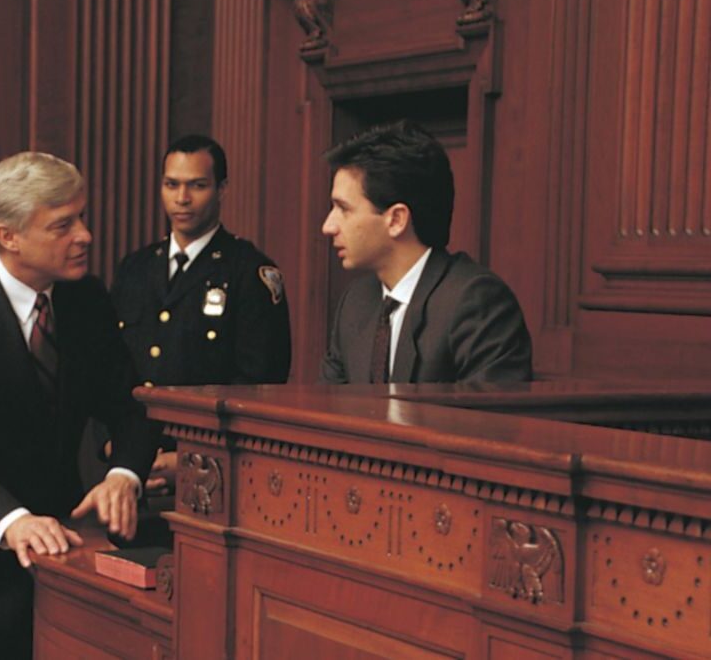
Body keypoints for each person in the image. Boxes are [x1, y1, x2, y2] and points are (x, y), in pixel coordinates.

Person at [0, 151, 158, 658]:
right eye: (63, 225)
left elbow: (132, 405)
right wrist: (10, 519)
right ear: (8, 236)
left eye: (82, 217)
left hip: (62, 565)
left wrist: (124, 475)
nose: (84, 235)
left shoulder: (86, 300)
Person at [109, 135, 291, 488]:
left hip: (209, 472)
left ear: (222, 189)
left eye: (198, 185)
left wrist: (188, 456)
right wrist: (121, 451)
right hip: (124, 470)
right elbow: (109, 368)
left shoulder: (248, 271)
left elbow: (259, 386)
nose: (182, 198)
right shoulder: (135, 267)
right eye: (171, 184)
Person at [321, 120, 532, 384]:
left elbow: (488, 421)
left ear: (397, 219)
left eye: (344, 209)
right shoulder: (356, 302)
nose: (328, 226)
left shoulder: (477, 303)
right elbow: (328, 410)